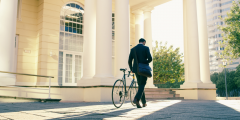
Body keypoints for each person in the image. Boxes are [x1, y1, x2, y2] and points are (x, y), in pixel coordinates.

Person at [128, 38, 152, 108]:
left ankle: (144, 103)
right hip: (143, 69)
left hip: (136, 69)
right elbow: (150, 58)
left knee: (140, 85)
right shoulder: (146, 48)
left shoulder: (133, 49)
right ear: (144, 42)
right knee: (142, 84)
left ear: (139, 42)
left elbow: (129, 61)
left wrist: (131, 69)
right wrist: (145, 63)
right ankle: (136, 99)